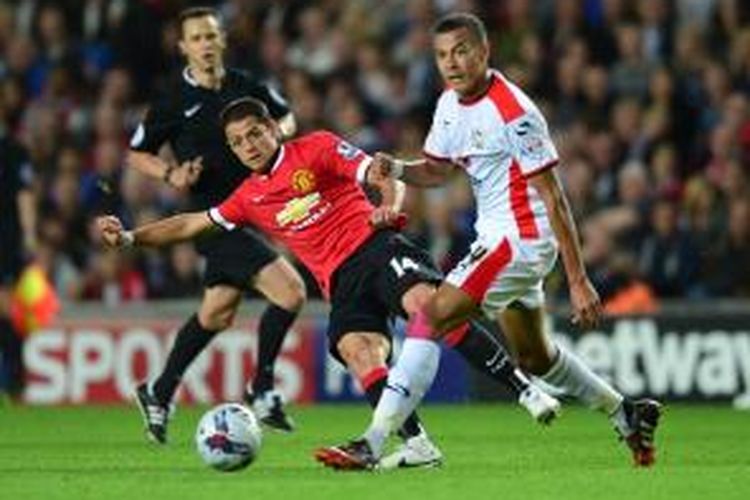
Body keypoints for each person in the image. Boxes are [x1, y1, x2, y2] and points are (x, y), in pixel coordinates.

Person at [98, 96, 561, 469]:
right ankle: (418, 443)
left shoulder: (315, 148)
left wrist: (387, 203)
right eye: (239, 142)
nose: (250, 145)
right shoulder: (248, 197)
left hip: (376, 248)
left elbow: (379, 172)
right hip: (338, 282)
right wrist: (132, 238)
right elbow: (189, 225)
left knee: (427, 305)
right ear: (233, 150)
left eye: (256, 133)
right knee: (360, 352)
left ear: (274, 129)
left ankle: (525, 389)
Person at [316, 13, 662, 470]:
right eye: (442, 55)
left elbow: (554, 197)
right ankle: (626, 412)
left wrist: (578, 280)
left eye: (461, 52)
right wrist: (398, 168)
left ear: (484, 52)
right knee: (536, 356)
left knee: (431, 314)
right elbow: (439, 170)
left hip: (519, 238)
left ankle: (375, 441)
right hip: (501, 238)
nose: (452, 64)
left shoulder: (514, 113)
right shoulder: (448, 105)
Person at [127, 7, 305, 442]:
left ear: (221, 40)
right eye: (196, 38)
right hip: (212, 219)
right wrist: (170, 174)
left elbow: (287, 117)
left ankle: (159, 389)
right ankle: (261, 388)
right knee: (291, 292)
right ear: (183, 47)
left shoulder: (246, 86)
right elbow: (137, 152)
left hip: (252, 211)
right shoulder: (171, 99)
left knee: (217, 312)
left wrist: (276, 134)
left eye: (210, 36)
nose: (205, 44)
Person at [0, 93, 38, 402]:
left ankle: (16, 382)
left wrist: (28, 236)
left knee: (7, 309)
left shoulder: (12, 150)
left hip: (5, 240)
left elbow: (24, 194)